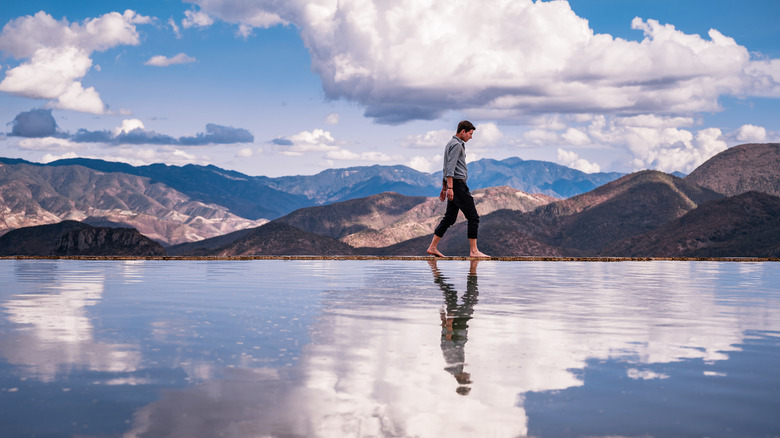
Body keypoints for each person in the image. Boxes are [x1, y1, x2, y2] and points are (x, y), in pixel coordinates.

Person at [426, 120, 489, 258]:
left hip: (452, 185)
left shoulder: (450, 143)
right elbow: (450, 168)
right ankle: (474, 251)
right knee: (473, 217)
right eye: (470, 134)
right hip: (458, 185)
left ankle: (432, 247)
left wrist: (445, 187)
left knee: (449, 218)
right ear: (462, 131)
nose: (471, 137)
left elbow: (445, 167)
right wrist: (450, 187)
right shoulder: (457, 146)